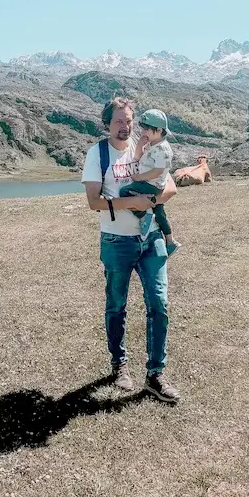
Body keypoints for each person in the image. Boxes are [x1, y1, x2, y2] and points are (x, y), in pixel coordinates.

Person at [81, 97, 180, 403]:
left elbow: (171, 186)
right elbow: (94, 202)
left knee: (159, 304)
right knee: (116, 306)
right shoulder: (97, 154)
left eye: (129, 121)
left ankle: (155, 375)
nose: (125, 127)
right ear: (107, 124)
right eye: (118, 122)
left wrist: (151, 201)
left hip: (150, 240)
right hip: (116, 241)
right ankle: (119, 364)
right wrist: (131, 203)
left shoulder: (148, 146)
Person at [118, 108, 181, 254]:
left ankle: (144, 215)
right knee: (159, 212)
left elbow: (158, 171)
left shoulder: (162, 149)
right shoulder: (153, 144)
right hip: (154, 184)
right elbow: (139, 157)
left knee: (124, 191)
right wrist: (140, 144)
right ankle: (170, 241)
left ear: (159, 130)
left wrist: (139, 177)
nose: (143, 132)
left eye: (147, 129)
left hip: (150, 184)